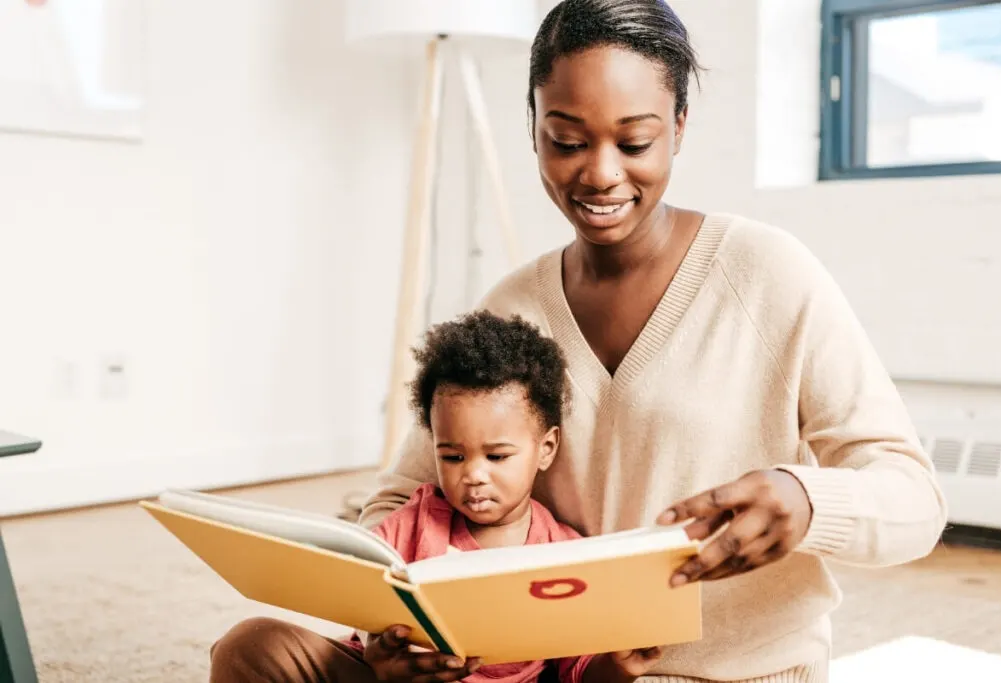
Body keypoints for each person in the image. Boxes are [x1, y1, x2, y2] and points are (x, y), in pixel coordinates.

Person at [212, 0, 948, 681]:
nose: (599, 173)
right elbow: (401, 495)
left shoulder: (768, 274)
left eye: (635, 141)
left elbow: (915, 497)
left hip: (722, 672)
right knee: (251, 653)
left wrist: (806, 499)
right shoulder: (513, 307)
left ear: (680, 125)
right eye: (566, 140)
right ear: (533, 127)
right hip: (518, 669)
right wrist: (394, 627)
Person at [209, 310, 663, 683]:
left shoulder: (561, 551)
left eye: (498, 456)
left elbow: (578, 673)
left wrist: (620, 665)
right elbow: (365, 617)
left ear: (545, 449)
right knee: (251, 644)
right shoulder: (414, 519)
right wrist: (380, 652)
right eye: (452, 456)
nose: (473, 476)